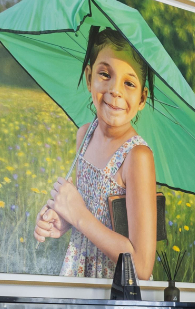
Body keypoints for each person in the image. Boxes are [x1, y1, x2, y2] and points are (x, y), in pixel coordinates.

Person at [33, 26, 160, 279]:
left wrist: (78, 216)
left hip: (113, 286)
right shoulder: (85, 135)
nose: (115, 90)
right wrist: (64, 219)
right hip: (78, 273)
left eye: (129, 83)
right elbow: (87, 211)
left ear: (142, 98)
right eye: (105, 74)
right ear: (89, 76)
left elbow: (142, 266)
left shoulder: (137, 157)